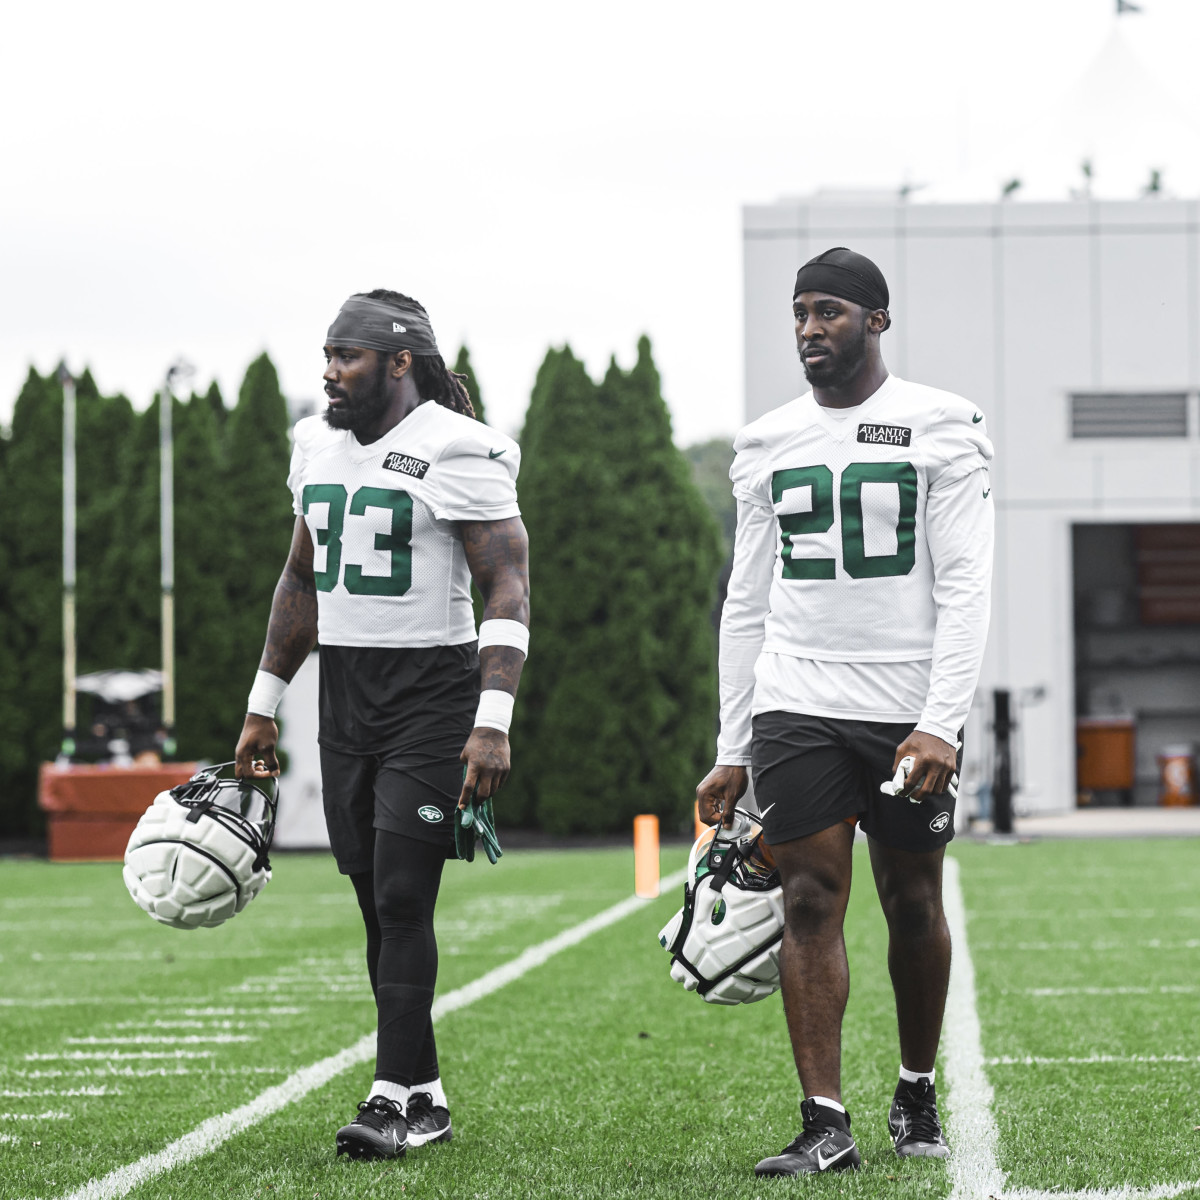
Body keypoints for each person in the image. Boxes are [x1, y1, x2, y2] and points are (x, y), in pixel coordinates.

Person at [696, 248, 993, 1176]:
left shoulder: (941, 424)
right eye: (798, 313)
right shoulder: (767, 441)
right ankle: (825, 1120)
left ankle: (914, 1083)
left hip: (905, 703)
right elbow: (745, 600)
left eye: (828, 311)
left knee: (912, 900)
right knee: (811, 896)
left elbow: (967, 584)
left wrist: (943, 719)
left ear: (876, 320)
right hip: (798, 699)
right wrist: (732, 744)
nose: (809, 329)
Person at [234, 289, 530, 1162]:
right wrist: (262, 705)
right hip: (346, 697)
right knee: (373, 897)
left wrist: (493, 719)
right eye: (326, 354)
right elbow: (299, 583)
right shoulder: (313, 446)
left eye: (349, 356)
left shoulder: (458, 447)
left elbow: (506, 587)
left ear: (400, 363)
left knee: (404, 895)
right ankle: (427, 1093)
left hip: (433, 694)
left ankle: (391, 1095)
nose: (330, 371)